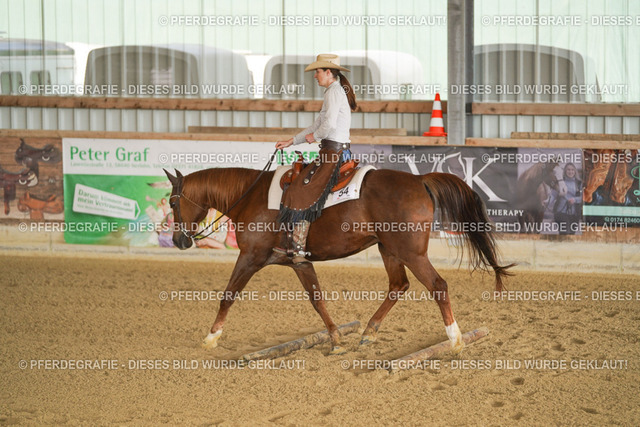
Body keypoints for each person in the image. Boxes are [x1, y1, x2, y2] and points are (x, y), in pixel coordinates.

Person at [274, 54, 357, 263]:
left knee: (302, 189)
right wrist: (292, 141)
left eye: (317, 72)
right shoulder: (334, 91)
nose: (315, 76)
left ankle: (298, 246)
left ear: (328, 72)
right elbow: (318, 124)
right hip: (332, 151)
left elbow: (327, 125)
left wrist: (315, 137)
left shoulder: (334, 92)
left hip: (333, 153)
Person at [553, 163, 582, 235]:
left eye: (572, 170)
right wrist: (547, 201)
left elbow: (583, 197)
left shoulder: (579, 183)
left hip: (574, 214)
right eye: (568, 170)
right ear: (565, 171)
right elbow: (553, 195)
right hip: (561, 212)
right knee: (564, 233)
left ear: (575, 171)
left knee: (571, 234)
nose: (570, 171)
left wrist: (574, 200)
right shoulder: (560, 182)